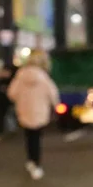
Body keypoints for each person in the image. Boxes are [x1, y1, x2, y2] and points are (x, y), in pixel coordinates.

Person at [8, 50, 59, 180]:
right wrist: (55, 105)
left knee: (29, 137)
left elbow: (11, 93)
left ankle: (31, 160)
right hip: (40, 111)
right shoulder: (43, 77)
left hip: (24, 110)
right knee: (37, 138)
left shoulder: (20, 75)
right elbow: (53, 93)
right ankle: (36, 164)